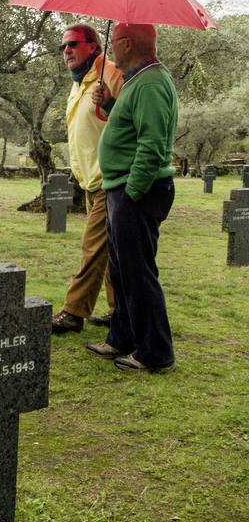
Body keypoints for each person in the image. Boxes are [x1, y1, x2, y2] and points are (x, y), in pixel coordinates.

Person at [87, 23, 178, 372]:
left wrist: (133, 192)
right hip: (121, 188)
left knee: (138, 272)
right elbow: (130, 127)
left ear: (126, 42)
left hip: (135, 190)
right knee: (121, 270)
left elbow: (153, 143)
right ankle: (121, 338)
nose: (110, 48)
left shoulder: (152, 82)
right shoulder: (136, 82)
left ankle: (156, 354)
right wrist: (110, 104)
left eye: (112, 42)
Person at [52, 24, 124, 334]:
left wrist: (109, 101)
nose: (66, 50)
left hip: (109, 178)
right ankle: (118, 309)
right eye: (62, 46)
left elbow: (129, 119)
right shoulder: (79, 81)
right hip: (89, 180)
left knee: (93, 248)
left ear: (93, 46)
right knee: (111, 249)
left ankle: (73, 312)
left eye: (72, 44)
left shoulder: (111, 75)